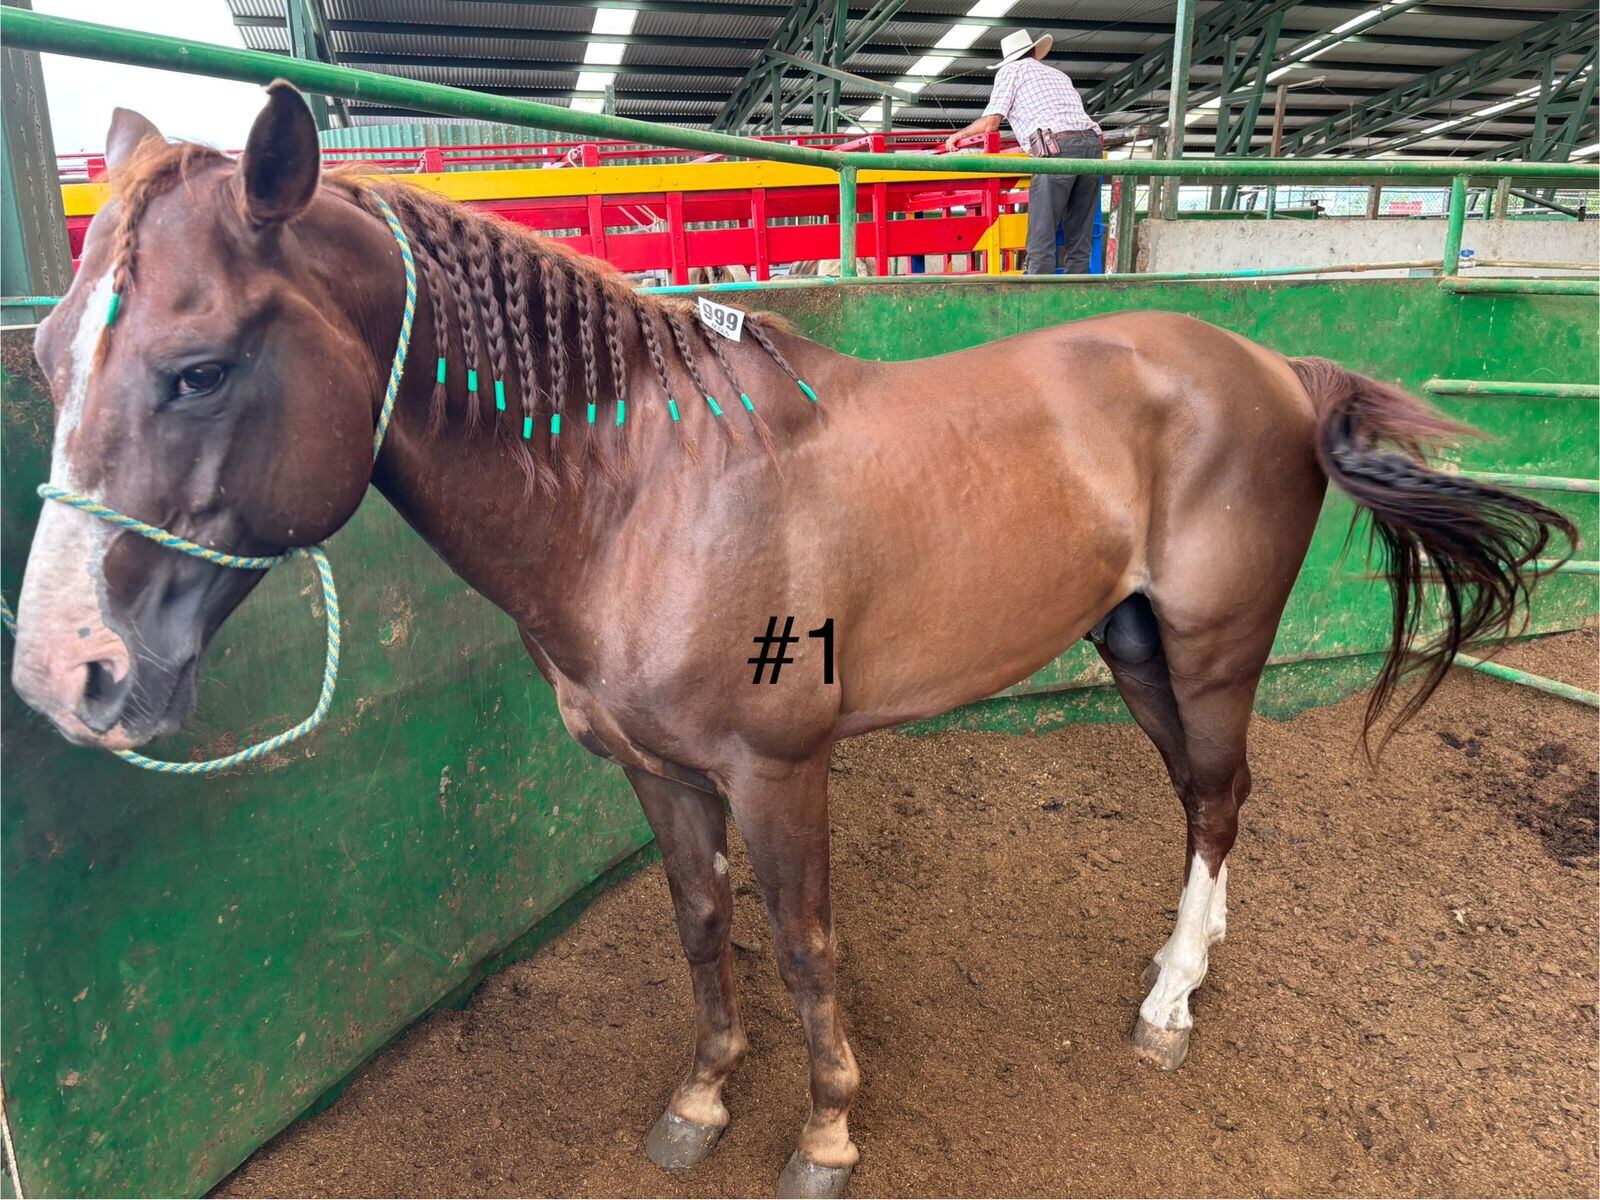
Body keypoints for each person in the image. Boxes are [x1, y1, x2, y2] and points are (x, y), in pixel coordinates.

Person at [945, 29, 1103, 275]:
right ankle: (1078, 290)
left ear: (1010, 58)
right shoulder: (1058, 74)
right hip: (1092, 145)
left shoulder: (1010, 71)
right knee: (1080, 229)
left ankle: (1037, 292)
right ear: (1034, 52)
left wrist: (960, 134)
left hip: (1056, 149)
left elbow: (990, 123)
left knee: (1043, 228)